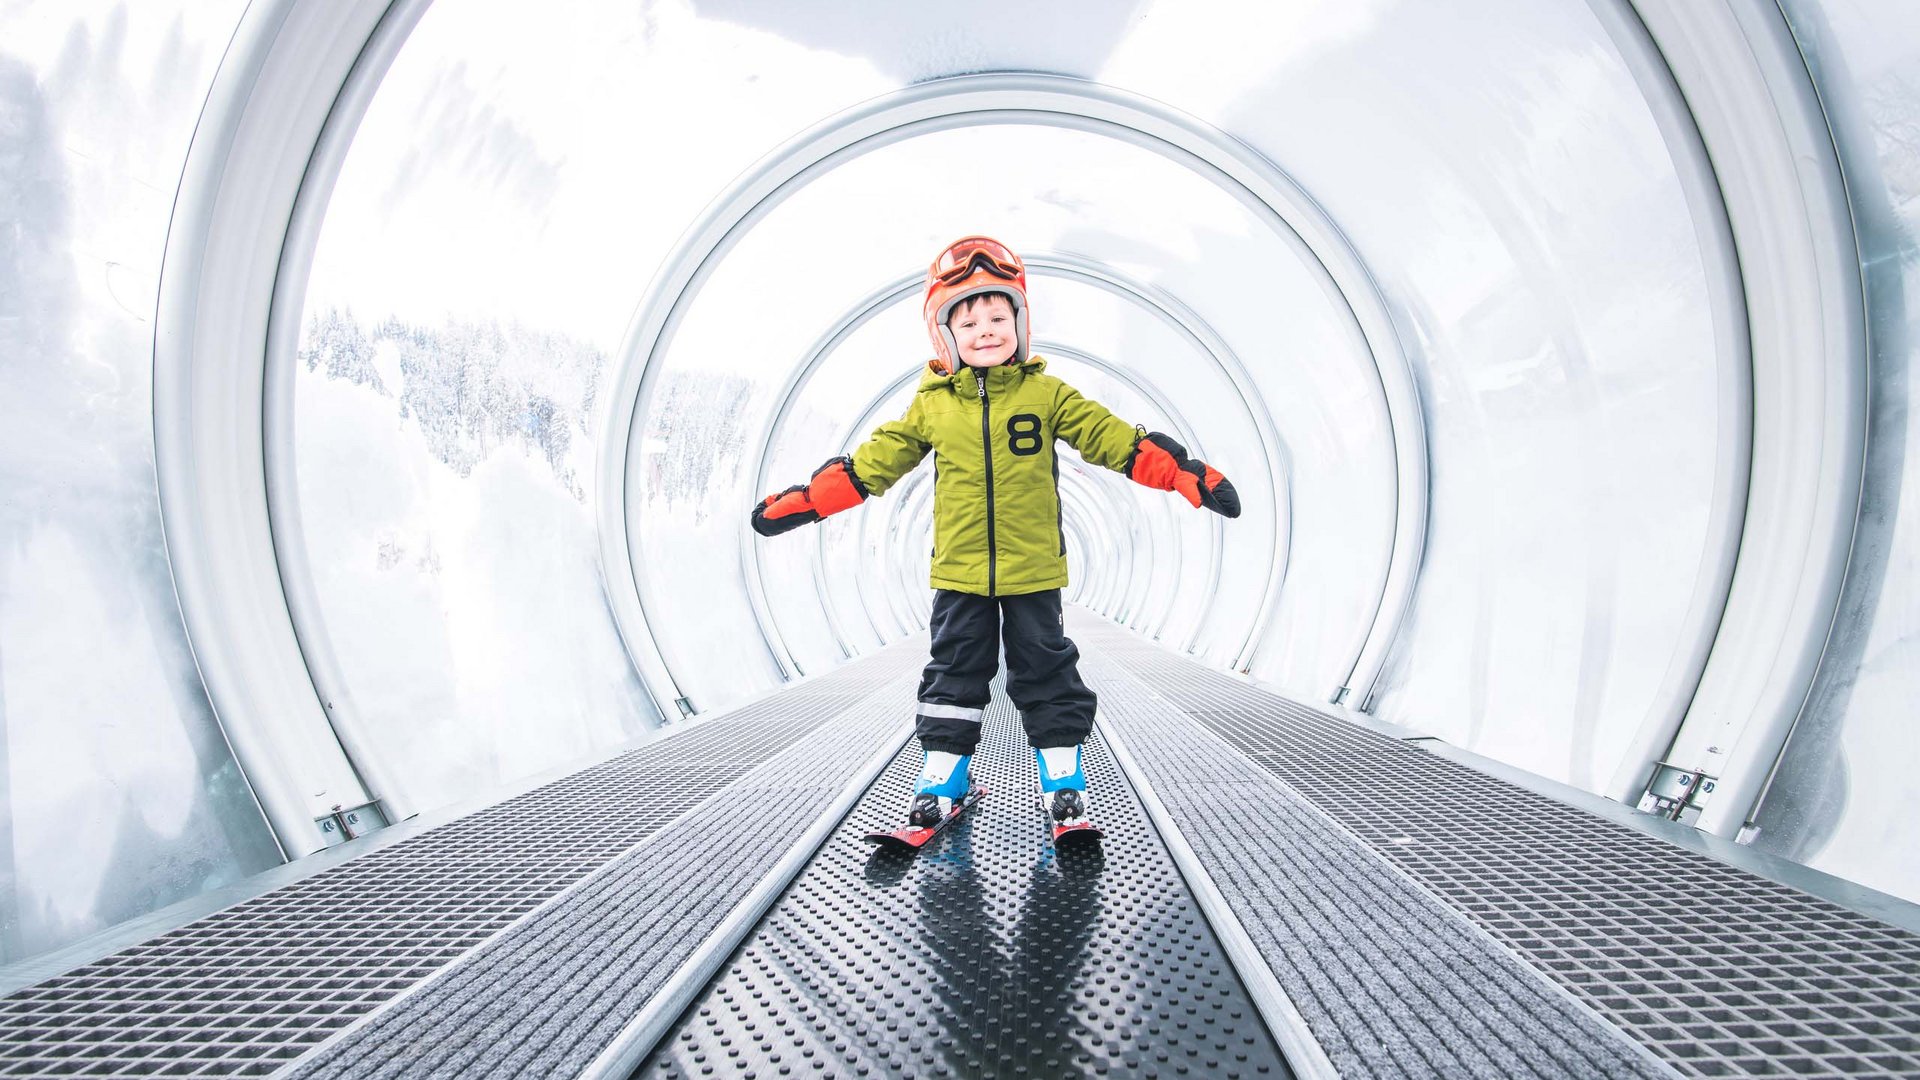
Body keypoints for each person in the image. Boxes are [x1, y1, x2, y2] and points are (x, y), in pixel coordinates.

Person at [750, 235, 1240, 838]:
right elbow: (874, 463)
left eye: (999, 315)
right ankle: (941, 778)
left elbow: (1113, 439)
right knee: (955, 670)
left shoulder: (1047, 394)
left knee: (1046, 668)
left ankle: (1063, 784)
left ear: (1021, 323)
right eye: (971, 319)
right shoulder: (931, 407)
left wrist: (1182, 474)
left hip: (1035, 572)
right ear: (945, 336)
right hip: (959, 576)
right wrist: (808, 501)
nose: (987, 329)